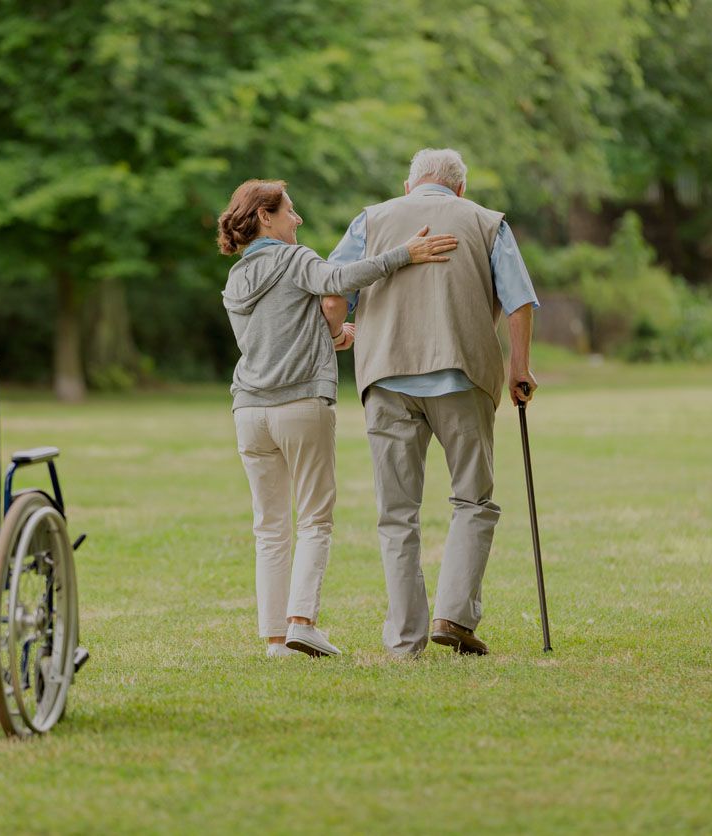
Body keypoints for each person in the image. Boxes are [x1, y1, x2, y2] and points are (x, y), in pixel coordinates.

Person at [218, 178, 458, 658]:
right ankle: (301, 621)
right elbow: (339, 282)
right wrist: (403, 255)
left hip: (249, 410)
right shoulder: (295, 258)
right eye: (289, 210)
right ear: (265, 217)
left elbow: (275, 337)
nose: (297, 219)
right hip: (300, 404)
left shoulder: (236, 278)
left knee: (269, 526)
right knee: (314, 519)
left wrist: (328, 337)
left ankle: (274, 639)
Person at [328, 148, 539, 657]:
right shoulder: (488, 222)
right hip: (462, 376)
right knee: (473, 500)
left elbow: (333, 293)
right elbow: (520, 301)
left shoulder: (370, 220)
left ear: (409, 186)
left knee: (397, 513)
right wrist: (519, 369)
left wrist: (338, 333)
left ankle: (405, 640)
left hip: (386, 377)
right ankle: (453, 617)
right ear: (459, 190)